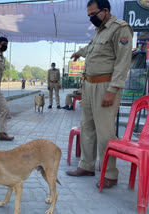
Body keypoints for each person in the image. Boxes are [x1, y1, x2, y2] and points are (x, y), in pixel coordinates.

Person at [66, 0, 133, 189]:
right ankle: (87, 166)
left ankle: (110, 174)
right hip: (88, 85)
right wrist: (79, 52)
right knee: (87, 126)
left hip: (105, 86)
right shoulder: (99, 31)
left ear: (105, 11)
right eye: (88, 15)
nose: (91, 18)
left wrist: (113, 90)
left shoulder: (121, 29)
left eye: (93, 14)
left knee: (105, 132)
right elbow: (91, 49)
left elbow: (123, 62)